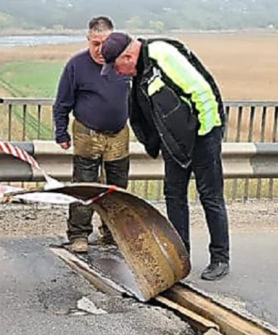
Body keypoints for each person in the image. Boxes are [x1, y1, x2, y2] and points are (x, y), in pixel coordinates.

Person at [99, 32, 230, 281]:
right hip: (176, 140)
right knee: (174, 194)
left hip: (203, 134)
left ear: (127, 56)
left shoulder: (162, 55)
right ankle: (181, 254)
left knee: (210, 196)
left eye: (116, 66)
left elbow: (202, 93)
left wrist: (204, 137)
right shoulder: (140, 68)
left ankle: (220, 258)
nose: (118, 72)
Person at [53, 16, 132, 254]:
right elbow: (62, 102)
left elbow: (139, 99)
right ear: (88, 39)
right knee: (84, 187)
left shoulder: (125, 64)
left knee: (117, 188)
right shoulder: (76, 65)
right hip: (87, 133)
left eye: (105, 43)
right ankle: (78, 235)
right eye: (95, 43)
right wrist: (61, 132)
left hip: (119, 134)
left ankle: (112, 232)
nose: (99, 49)